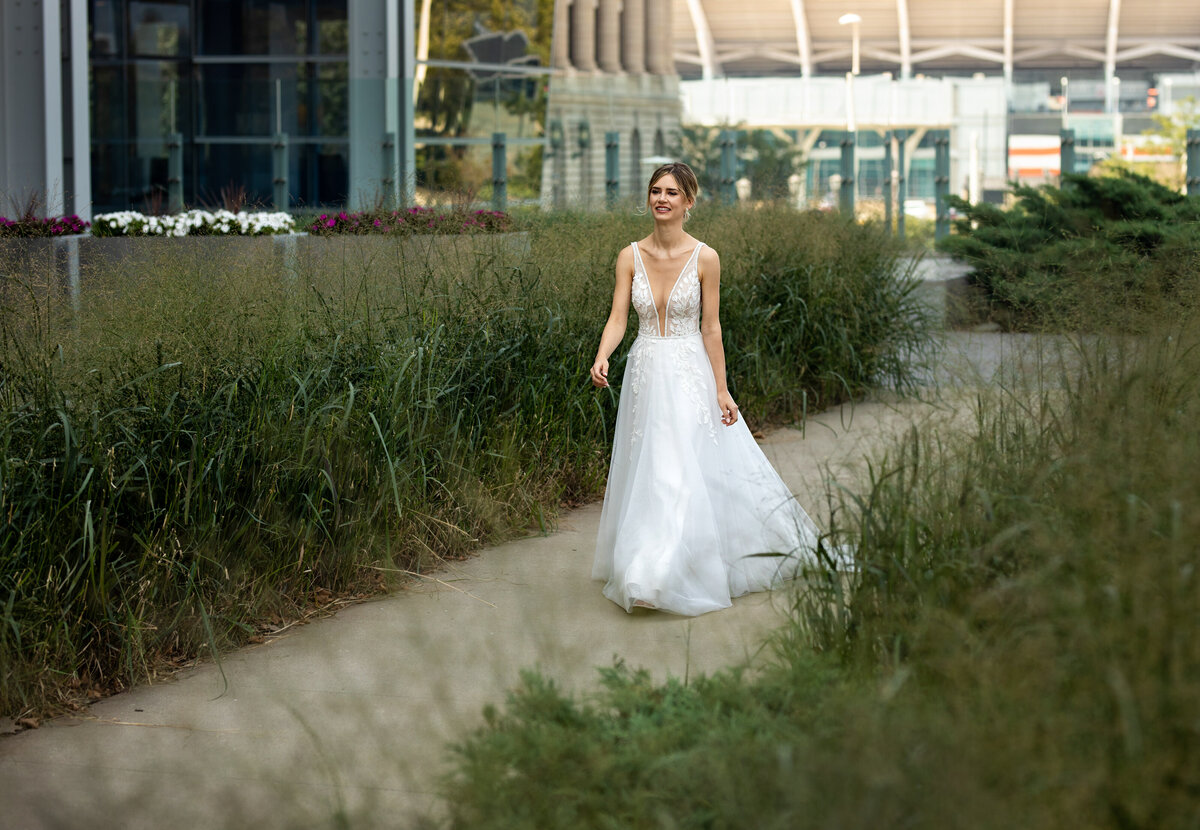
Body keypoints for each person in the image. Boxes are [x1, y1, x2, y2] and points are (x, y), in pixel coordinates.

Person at [589, 161, 838, 616]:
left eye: (671, 193)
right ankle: (650, 565)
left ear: (688, 202)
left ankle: (656, 573)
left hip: (689, 374)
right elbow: (619, 318)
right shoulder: (629, 255)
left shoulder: (706, 257)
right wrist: (603, 354)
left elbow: (711, 329)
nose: (661, 199)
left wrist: (721, 390)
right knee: (649, 470)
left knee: (676, 472)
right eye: (655, 191)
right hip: (645, 372)